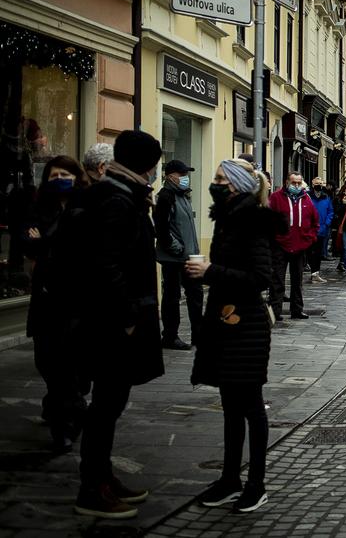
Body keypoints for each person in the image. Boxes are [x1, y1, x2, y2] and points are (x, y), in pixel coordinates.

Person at [73, 130, 164, 519]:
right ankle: (93, 488)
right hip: (113, 321)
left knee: (111, 402)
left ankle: (102, 477)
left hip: (114, 316)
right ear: (148, 164)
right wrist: (127, 315)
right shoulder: (116, 199)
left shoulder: (118, 193)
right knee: (106, 404)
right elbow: (106, 262)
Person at [187, 158, 276, 514]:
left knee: (250, 407)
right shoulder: (229, 219)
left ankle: (256, 485)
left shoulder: (251, 223)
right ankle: (229, 479)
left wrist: (211, 270)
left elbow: (260, 278)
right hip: (227, 324)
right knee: (230, 408)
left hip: (247, 327)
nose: (215, 183)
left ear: (237, 184)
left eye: (221, 179)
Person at [24, 155, 89, 452]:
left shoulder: (86, 207)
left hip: (78, 299)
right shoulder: (41, 208)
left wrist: (45, 244)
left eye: (65, 173)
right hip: (46, 298)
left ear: (76, 176)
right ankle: (67, 406)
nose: (59, 178)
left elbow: (83, 249)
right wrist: (43, 245)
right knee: (46, 361)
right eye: (53, 175)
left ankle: (66, 423)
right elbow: (29, 247)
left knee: (69, 363)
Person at [154, 159, 203, 350]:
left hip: (188, 256)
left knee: (195, 295)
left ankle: (198, 335)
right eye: (182, 175)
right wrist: (176, 248)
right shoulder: (166, 196)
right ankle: (170, 336)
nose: (185, 178)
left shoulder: (182, 195)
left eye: (186, 175)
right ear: (170, 176)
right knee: (172, 297)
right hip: (173, 258)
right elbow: (162, 227)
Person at [267, 172, 318, 320]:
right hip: (280, 246)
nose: (296, 185)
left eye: (299, 183)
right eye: (294, 182)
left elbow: (315, 221)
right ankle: (275, 312)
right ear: (287, 182)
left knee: (298, 281)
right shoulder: (276, 198)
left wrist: (310, 238)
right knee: (277, 281)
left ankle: (297, 310)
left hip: (300, 246)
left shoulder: (306, 199)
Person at [308, 178, 333, 284]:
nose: (318, 185)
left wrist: (327, 223)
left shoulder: (326, 197)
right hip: (309, 229)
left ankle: (316, 273)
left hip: (322, 228)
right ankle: (312, 271)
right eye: (316, 183)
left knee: (318, 252)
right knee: (309, 251)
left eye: (320, 184)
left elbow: (330, 211)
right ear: (312, 184)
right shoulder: (307, 196)